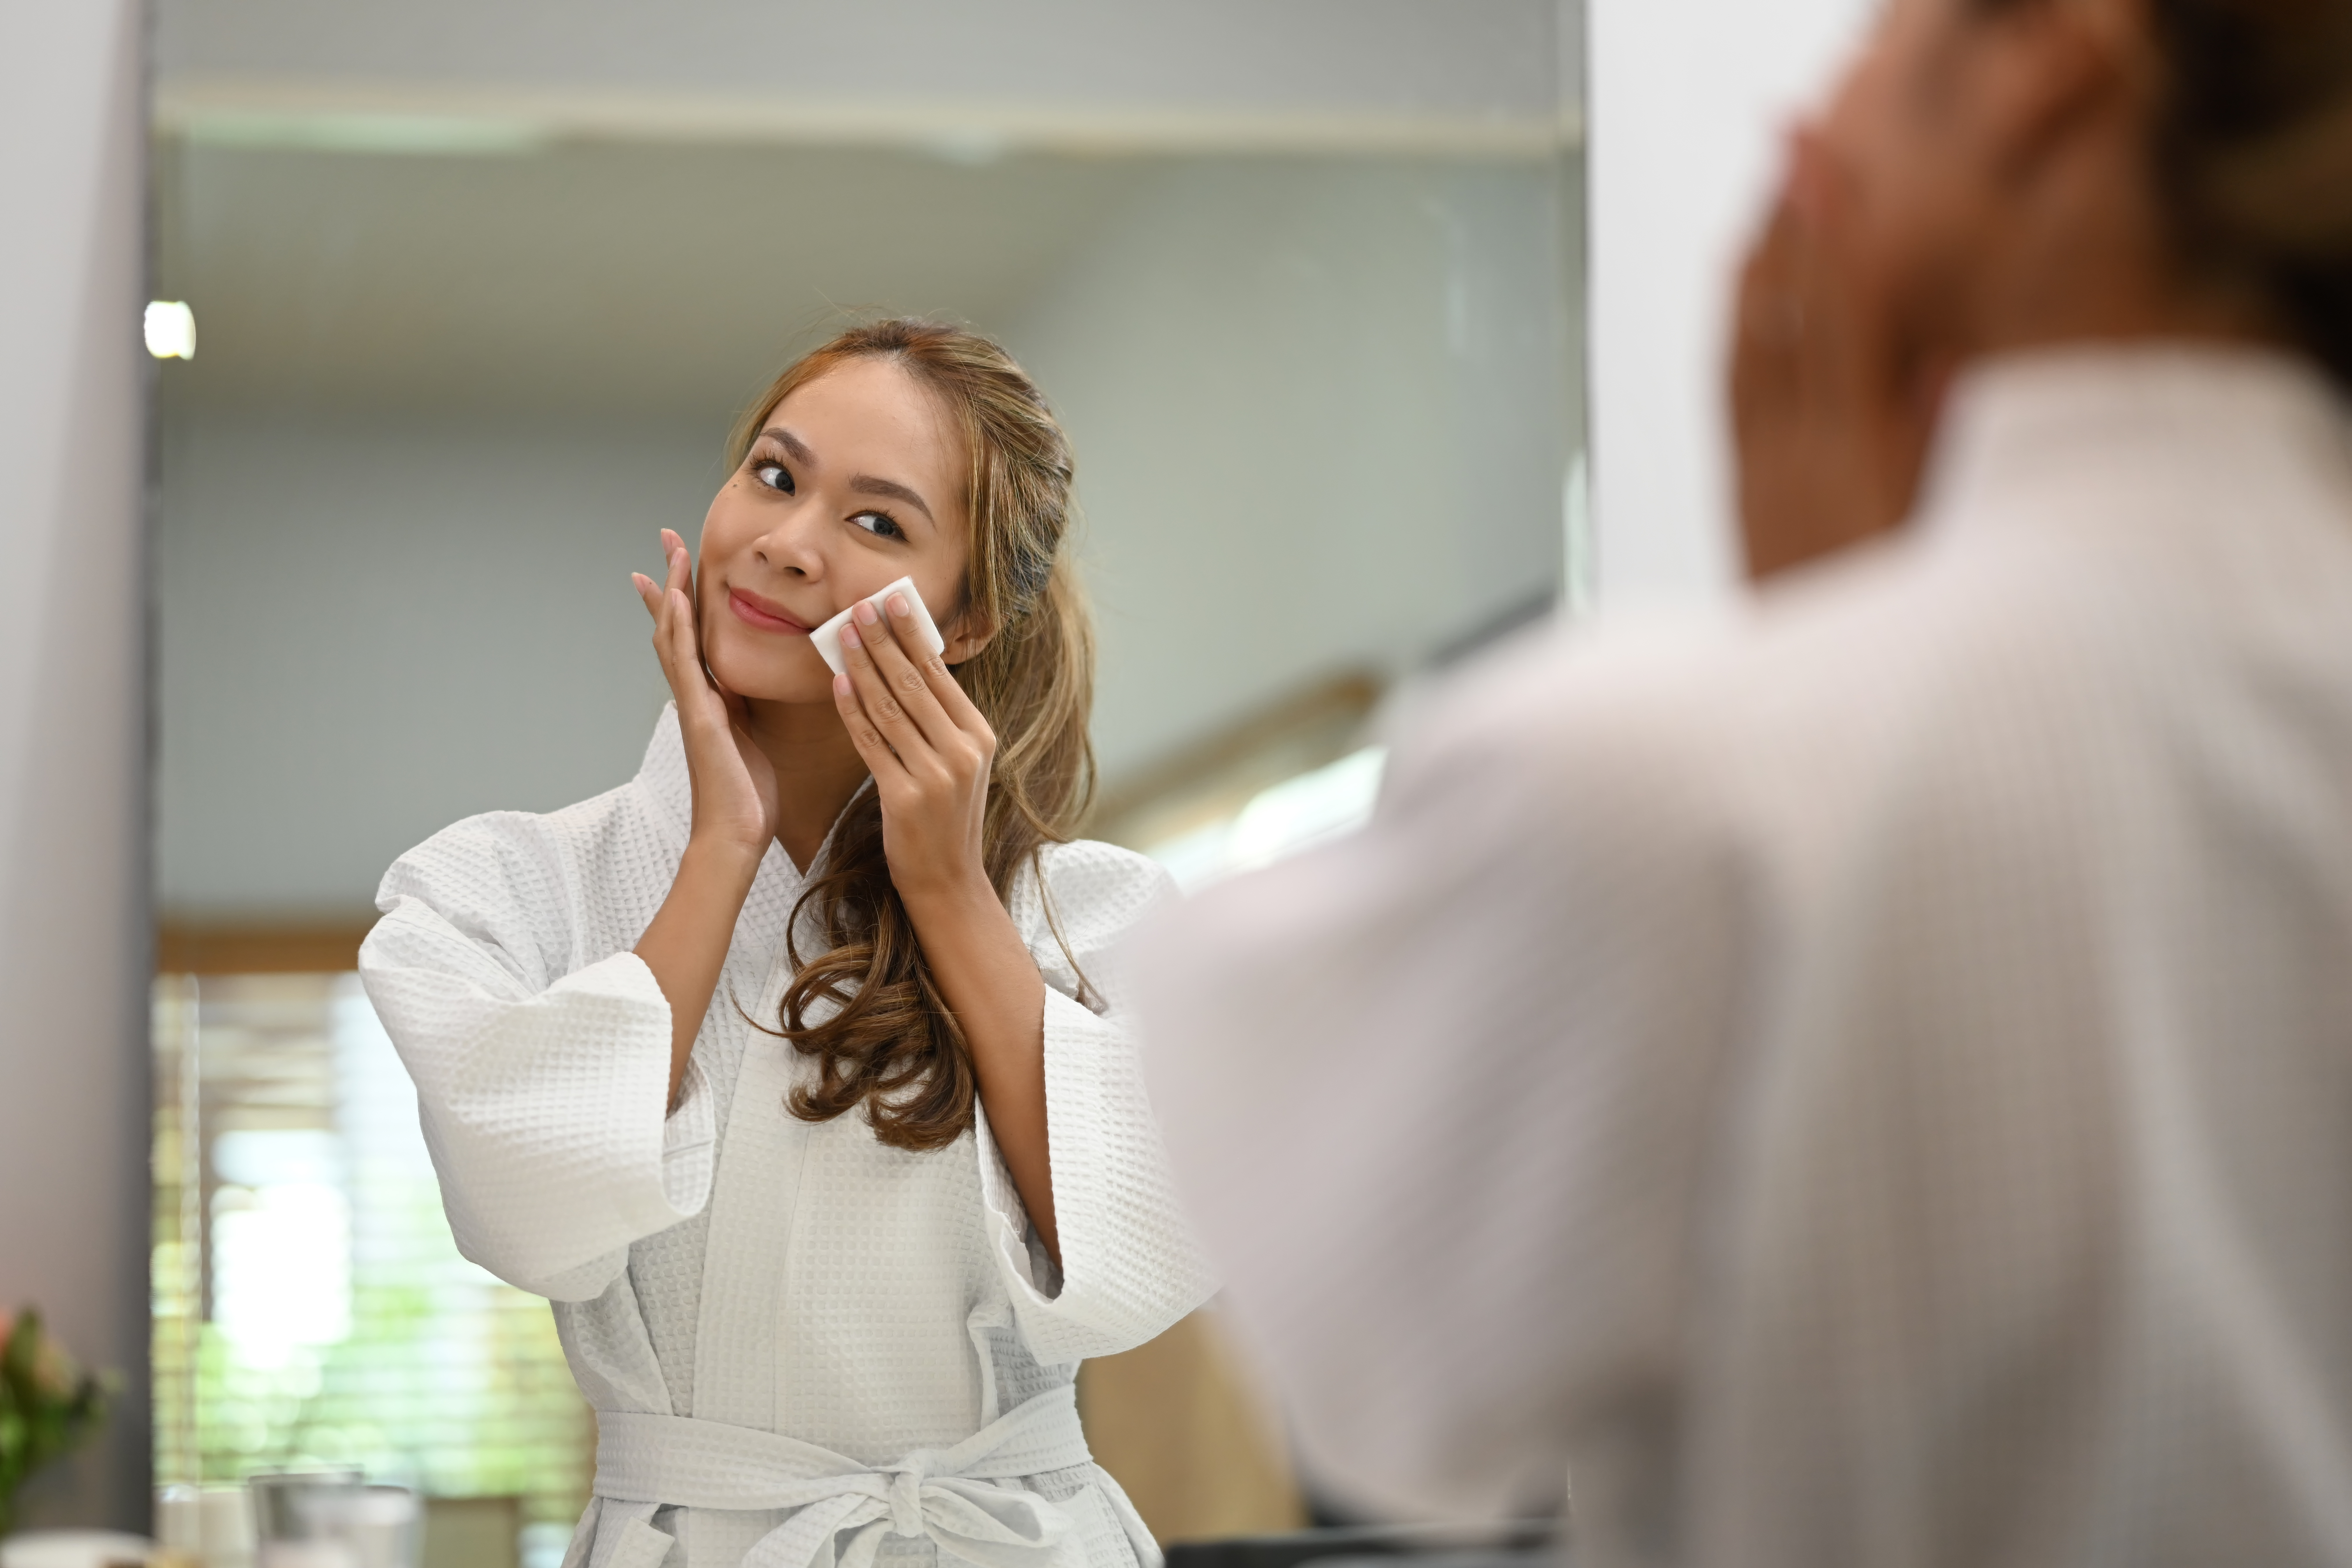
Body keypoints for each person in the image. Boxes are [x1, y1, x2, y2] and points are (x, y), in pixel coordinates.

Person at [1129, 1, 2352, 1564]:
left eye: (1879, 25)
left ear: (2047, 67)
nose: (1822, 93)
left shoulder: (1678, 786)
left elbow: (1388, 1403)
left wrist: (1819, 654)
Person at [358, 320, 1214, 1568]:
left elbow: (1145, 1258)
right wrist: (719, 850)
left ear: (963, 621)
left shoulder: (1095, 917)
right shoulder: (507, 886)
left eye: (877, 523)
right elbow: (526, 1212)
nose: (786, 543)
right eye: (775, 473)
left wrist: (949, 890)